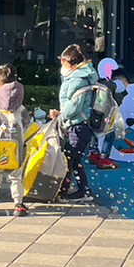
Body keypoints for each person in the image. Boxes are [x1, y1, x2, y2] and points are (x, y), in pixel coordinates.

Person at [50, 43, 101, 202]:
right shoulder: (81, 77)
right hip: (81, 125)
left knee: (69, 158)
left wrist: (61, 114)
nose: (62, 65)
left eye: (63, 62)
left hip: (78, 125)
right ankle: (81, 189)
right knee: (74, 159)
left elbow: (74, 106)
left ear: (70, 63)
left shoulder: (77, 80)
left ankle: (67, 191)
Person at [0, 63, 29, 217]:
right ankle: (18, 204)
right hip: (15, 148)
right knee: (16, 177)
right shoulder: (19, 105)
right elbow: (26, 121)